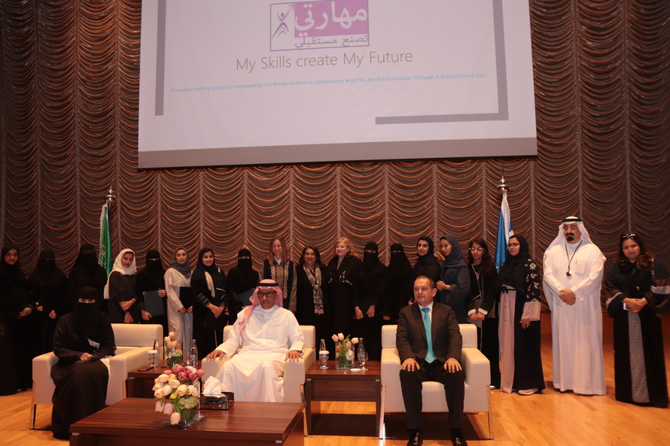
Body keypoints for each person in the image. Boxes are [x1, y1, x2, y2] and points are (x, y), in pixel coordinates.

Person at [205, 279, 304, 402]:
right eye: (261, 294)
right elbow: (234, 339)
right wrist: (221, 349)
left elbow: (297, 338)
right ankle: (228, 410)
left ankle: (267, 411)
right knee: (229, 366)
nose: (264, 298)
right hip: (248, 355)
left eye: (268, 294)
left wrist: (295, 349)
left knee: (266, 367)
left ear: (276, 295)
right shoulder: (246, 314)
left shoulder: (286, 315)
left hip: (275, 355)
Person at [397, 276, 466, 446]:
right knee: (406, 372)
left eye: (423, 289)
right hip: (418, 363)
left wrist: (452, 357)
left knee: (456, 372)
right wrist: (408, 357)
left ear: (434, 292)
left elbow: (455, 337)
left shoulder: (446, 311)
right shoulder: (406, 313)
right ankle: (415, 431)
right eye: (416, 289)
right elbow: (402, 339)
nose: (419, 292)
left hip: (442, 362)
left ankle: (456, 430)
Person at [603, 234, 668, 407]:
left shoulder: (653, 264)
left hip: (648, 315)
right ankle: (627, 395)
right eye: (626, 247)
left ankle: (653, 396)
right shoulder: (616, 268)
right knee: (626, 354)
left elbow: (662, 285)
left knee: (650, 353)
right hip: (625, 316)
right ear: (621, 250)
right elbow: (609, 287)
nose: (630, 250)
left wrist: (644, 301)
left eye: (633, 246)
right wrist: (627, 300)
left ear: (640, 247)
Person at [543, 216, 606, 395]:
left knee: (586, 343)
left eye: (573, 227)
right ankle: (565, 382)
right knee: (564, 342)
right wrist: (563, 292)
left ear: (580, 230)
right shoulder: (553, 252)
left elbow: (596, 276)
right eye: (566, 228)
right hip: (562, 306)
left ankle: (587, 385)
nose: (569, 231)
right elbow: (548, 275)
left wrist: (575, 292)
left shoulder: (593, 251)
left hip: (585, 307)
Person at [51, 286, 116, 440]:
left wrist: (93, 356)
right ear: (77, 300)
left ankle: (90, 424)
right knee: (77, 374)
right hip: (69, 362)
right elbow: (58, 348)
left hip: (95, 360)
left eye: (90, 300)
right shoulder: (65, 320)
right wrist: (79, 355)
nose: (86, 303)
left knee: (88, 373)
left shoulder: (102, 319)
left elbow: (108, 345)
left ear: (97, 302)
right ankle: (70, 425)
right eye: (82, 300)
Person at [496, 235, 544, 395]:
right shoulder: (506, 264)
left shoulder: (529, 265)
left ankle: (528, 383)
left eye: (515, 244)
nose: (512, 247)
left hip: (522, 310)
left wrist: (527, 314)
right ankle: (513, 381)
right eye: (509, 245)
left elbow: (534, 290)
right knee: (508, 345)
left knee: (524, 345)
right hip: (506, 307)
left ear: (522, 246)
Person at [465, 238, 500, 389]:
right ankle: (476, 379)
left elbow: (492, 291)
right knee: (474, 345)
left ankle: (492, 379)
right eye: (473, 249)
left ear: (484, 251)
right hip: (472, 309)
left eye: (479, 249)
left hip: (489, 309)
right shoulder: (467, 268)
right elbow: (467, 292)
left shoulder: (490, 267)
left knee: (489, 345)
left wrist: (483, 311)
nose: (475, 252)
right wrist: (472, 310)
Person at [0, 245, 33, 393]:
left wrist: (27, 308)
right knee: (7, 350)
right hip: (5, 317)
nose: (12, 258)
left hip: (21, 318)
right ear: (3, 256)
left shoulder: (19, 273)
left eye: (15, 255)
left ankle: (21, 382)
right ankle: (8, 385)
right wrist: (16, 311)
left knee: (20, 349)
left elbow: (27, 293)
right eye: (8, 255)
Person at [29, 249, 68, 354]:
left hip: (56, 318)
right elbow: (29, 296)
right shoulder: (33, 277)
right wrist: (35, 304)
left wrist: (58, 311)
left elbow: (66, 296)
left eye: (50, 260)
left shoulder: (60, 276)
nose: (47, 263)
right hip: (39, 319)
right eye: (45, 260)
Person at [191, 248, 228, 358]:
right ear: (201, 258)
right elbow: (197, 293)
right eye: (205, 257)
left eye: (210, 256)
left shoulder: (219, 271)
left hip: (219, 314)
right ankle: (204, 372)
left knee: (218, 342)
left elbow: (226, 291)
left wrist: (221, 307)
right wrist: (212, 307)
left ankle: (218, 370)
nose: (208, 259)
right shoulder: (197, 273)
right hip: (203, 314)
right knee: (204, 342)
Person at [326, 237, 362, 339]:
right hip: (334, 301)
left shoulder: (355, 261)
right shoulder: (332, 261)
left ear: (348, 248)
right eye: (337, 246)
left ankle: (347, 353)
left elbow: (357, 284)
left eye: (342, 246)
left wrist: (357, 306)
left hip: (348, 300)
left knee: (347, 328)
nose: (339, 249)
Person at [357, 241, 388, 360]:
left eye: (372, 252)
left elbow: (381, 289)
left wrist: (373, 305)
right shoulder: (359, 268)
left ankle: (374, 361)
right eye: (367, 252)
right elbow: (354, 288)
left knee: (374, 336)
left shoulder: (381, 269)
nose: (369, 254)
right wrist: (356, 307)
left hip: (376, 308)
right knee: (360, 336)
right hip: (359, 308)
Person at [295, 245, 329, 343]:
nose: (309, 256)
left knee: (322, 337)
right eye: (307, 254)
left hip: (322, 311)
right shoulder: (297, 270)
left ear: (317, 256)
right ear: (303, 256)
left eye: (312, 254)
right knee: (307, 339)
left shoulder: (324, 270)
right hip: (304, 312)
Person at [164, 248, 193, 353]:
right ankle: (175, 362)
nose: (181, 257)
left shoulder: (191, 272)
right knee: (177, 335)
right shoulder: (170, 272)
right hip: (175, 310)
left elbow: (194, 290)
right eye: (179, 255)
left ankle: (187, 361)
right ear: (175, 257)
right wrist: (179, 306)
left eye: (184, 254)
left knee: (188, 335)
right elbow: (170, 291)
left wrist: (192, 305)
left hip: (188, 310)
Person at [436, 235, 470, 323]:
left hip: (457, 308)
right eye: (441, 246)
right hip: (444, 306)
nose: (443, 249)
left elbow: (464, 289)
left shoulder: (462, 266)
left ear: (454, 246)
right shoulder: (445, 264)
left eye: (446, 246)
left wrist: (446, 287)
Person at [135, 249, 168, 335]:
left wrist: (166, 292)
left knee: (163, 335)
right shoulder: (142, 274)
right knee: (149, 335)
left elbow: (171, 290)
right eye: (151, 260)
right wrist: (143, 310)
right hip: (148, 311)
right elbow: (138, 293)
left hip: (163, 310)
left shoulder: (165, 273)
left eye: (156, 259)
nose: (154, 262)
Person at [67, 244, 107, 311]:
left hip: (98, 312)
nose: (88, 256)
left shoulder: (101, 272)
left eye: (90, 252)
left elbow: (103, 293)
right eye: (85, 253)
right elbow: (71, 294)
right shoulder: (75, 272)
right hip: (78, 311)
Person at [262, 236, 297, 312]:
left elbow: (293, 287)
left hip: (286, 303)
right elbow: (261, 286)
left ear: (283, 247)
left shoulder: (290, 265)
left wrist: (292, 307)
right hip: (269, 303)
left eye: (279, 246)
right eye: (274, 246)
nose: (276, 248)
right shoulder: (266, 264)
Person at [105, 249, 139, 324]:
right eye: (125, 258)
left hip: (133, 309)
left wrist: (131, 301)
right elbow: (117, 294)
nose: (128, 262)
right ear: (120, 258)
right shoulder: (115, 274)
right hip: (118, 311)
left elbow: (137, 291)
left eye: (131, 259)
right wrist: (127, 312)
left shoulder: (134, 275)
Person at [382, 243, 412, 324]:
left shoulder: (409, 271)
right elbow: (385, 293)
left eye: (397, 252)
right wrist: (386, 311)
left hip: (406, 308)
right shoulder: (387, 271)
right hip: (390, 308)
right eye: (393, 252)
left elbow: (410, 290)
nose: (395, 255)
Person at [226, 248, 259, 322]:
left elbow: (257, 291)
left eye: (247, 258)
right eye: (242, 258)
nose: (244, 260)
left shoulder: (255, 274)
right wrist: (240, 305)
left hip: (251, 308)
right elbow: (230, 290)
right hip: (235, 308)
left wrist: (250, 305)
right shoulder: (233, 272)